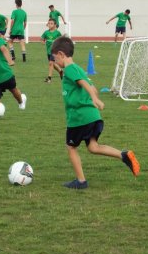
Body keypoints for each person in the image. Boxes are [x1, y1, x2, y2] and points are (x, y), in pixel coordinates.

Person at [51, 36, 140, 189]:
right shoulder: (77, 69)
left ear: (61, 54)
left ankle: (81, 181)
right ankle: (124, 155)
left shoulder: (71, 69)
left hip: (80, 118)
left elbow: (85, 85)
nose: (54, 60)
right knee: (93, 147)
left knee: (71, 147)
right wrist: (94, 98)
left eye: (54, 58)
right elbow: (93, 87)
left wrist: (94, 99)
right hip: (92, 117)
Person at [41, 18, 63, 83]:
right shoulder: (46, 32)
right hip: (49, 51)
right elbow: (42, 39)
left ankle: (49, 78)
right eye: (49, 23)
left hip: (55, 51)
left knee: (51, 63)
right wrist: (43, 42)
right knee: (53, 64)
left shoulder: (57, 33)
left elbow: (61, 40)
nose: (50, 25)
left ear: (55, 25)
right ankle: (61, 71)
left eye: (51, 23)